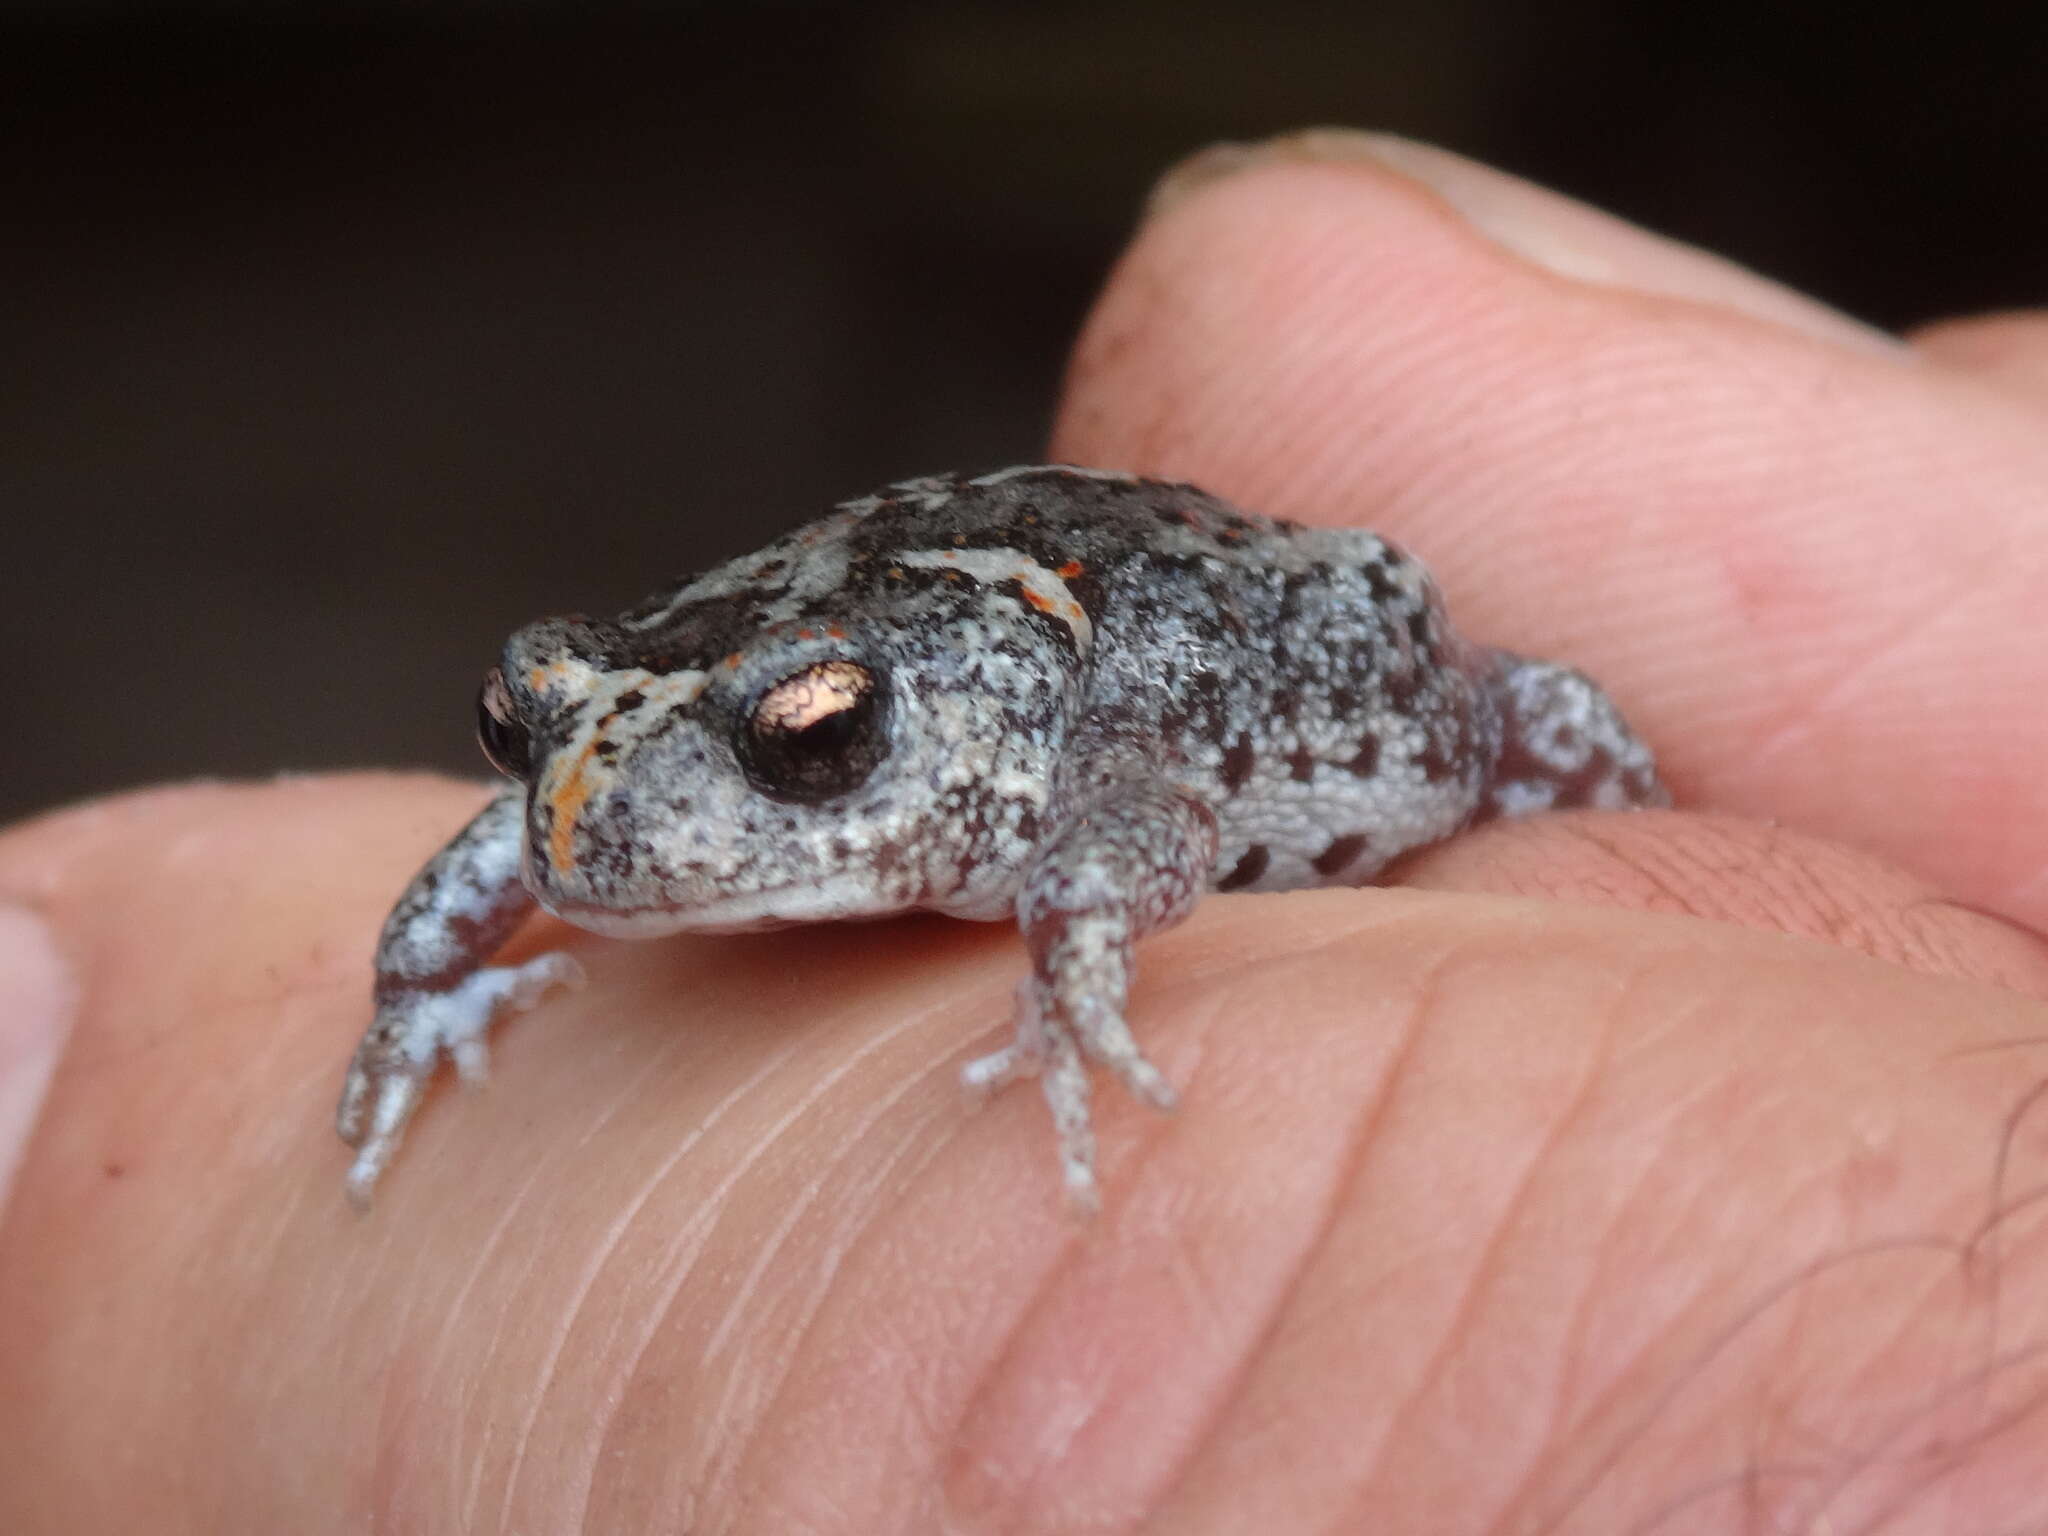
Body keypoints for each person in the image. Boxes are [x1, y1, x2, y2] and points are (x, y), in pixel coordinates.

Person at [4, 132, 2046, 1531]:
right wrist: (405, 995)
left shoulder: (1051, 763)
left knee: (1580, 758)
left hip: (1368, 686)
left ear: (885, 722)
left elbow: (1138, 813)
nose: (600, 812)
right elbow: (527, 843)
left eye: (804, 738)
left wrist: (1072, 969)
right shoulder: (618, 787)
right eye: (527, 726)